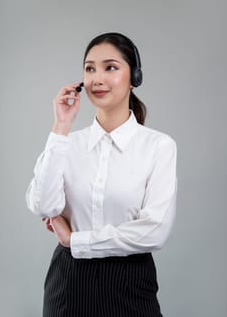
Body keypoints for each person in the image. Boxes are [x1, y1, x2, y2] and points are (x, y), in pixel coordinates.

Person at [26, 32, 178, 317]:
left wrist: (75, 241)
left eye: (110, 67)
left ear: (134, 77)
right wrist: (61, 126)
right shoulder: (67, 144)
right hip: (68, 284)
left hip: (130, 283)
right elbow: (44, 205)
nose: (97, 78)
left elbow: (154, 231)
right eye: (89, 68)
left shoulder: (158, 146)